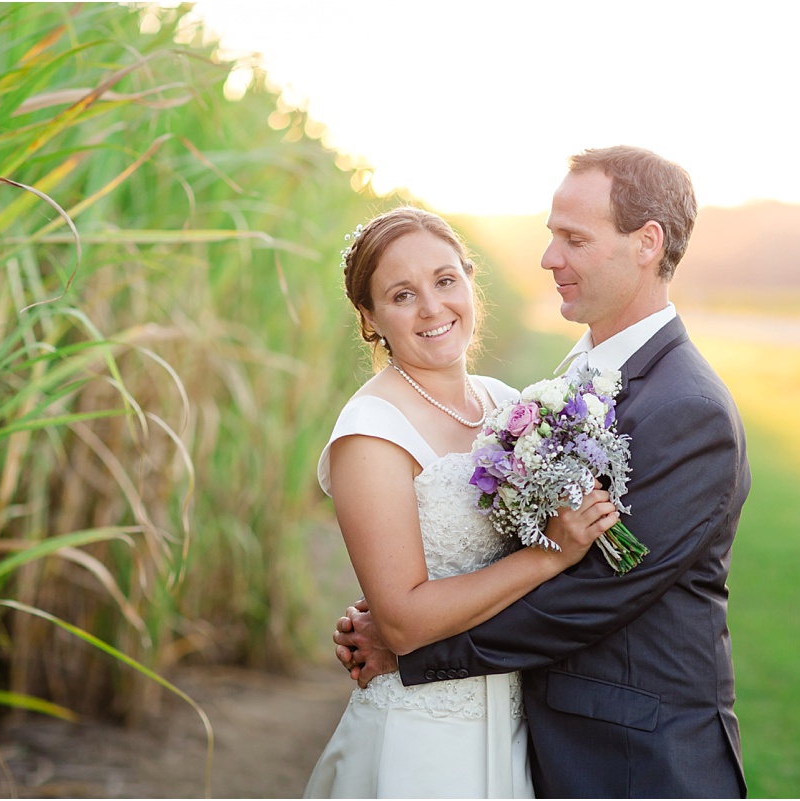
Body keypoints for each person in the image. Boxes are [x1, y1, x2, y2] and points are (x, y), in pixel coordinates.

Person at [334, 146, 752, 798]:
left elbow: (595, 591)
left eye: (573, 238)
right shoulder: (557, 384)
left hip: (637, 759)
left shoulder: (687, 408)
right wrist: (401, 602)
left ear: (647, 243)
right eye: (550, 233)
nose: (548, 257)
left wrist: (409, 646)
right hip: (522, 740)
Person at [304, 206, 612, 798]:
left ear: (470, 281)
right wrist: (551, 555)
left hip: (516, 722)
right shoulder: (370, 433)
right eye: (401, 294)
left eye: (445, 280)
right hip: (424, 740)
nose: (432, 308)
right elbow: (399, 621)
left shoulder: (508, 405)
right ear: (370, 319)